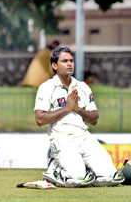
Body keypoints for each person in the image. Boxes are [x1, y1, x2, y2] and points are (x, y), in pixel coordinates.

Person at [34, 46, 124, 188]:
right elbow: (40, 119)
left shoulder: (82, 87)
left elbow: (94, 118)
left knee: (109, 177)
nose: (70, 64)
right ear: (54, 65)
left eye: (71, 60)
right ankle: (54, 169)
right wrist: (67, 108)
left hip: (83, 136)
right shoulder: (47, 87)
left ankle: (86, 169)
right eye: (65, 61)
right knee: (76, 179)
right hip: (61, 137)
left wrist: (78, 109)